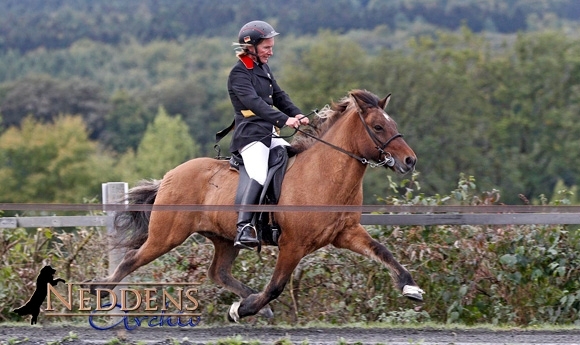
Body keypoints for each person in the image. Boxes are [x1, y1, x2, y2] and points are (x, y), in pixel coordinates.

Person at [227, 20, 309, 249]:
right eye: (266, 48)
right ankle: (244, 226)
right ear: (250, 47)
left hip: (270, 133)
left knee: (292, 161)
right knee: (260, 174)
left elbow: (279, 96)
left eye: (272, 47)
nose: (271, 52)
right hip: (251, 136)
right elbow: (254, 103)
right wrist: (285, 120)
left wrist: (298, 114)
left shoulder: (263, 68)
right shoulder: (239, 73)